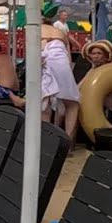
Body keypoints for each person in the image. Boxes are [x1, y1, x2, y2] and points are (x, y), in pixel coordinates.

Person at [39, 11, 81, 142]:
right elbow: (68, 58)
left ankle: (45, 141)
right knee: (72, 103)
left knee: (44, 103)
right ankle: (68, 142)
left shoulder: (35, 29)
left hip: (44, 55)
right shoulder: (60, 32)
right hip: (61, 62)